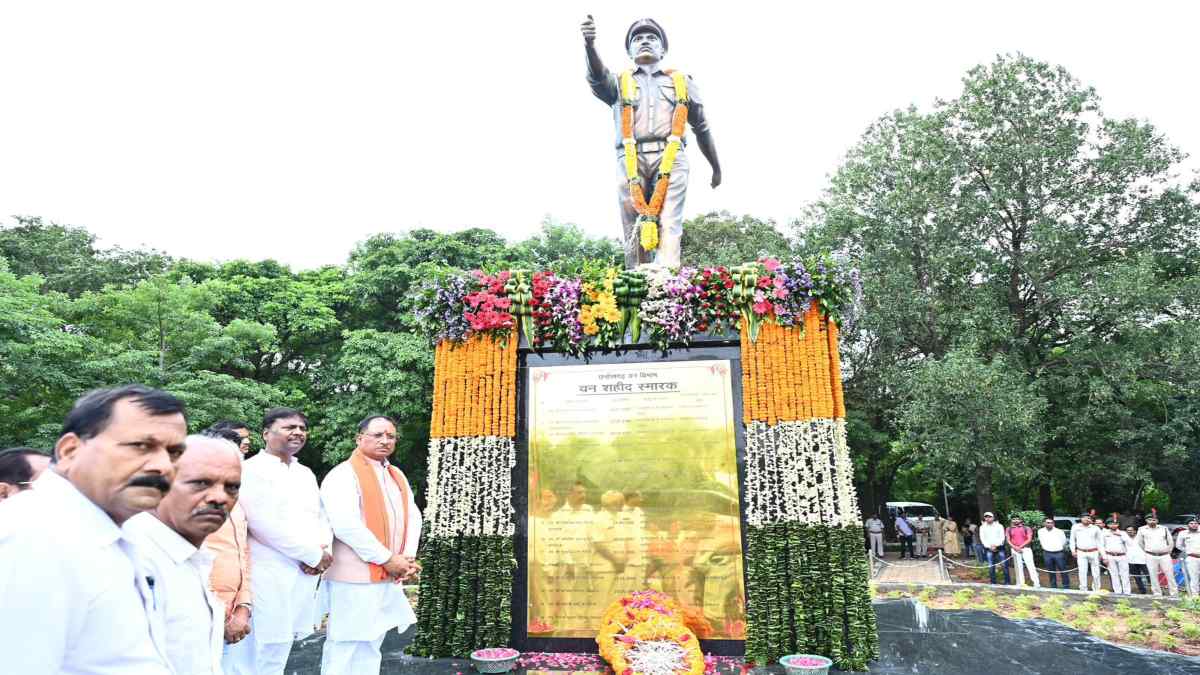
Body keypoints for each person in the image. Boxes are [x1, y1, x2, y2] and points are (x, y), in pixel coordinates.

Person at [0, 385, 187, 673]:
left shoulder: (123, 530)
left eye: (174, 453)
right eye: (141, 446)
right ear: (70, 450)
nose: (163, 466)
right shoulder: (32, 536)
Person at [581, 16, 721, 268]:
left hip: (672, 156)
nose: (645, 41)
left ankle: (666, 287)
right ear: (629, 50)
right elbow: (596, 78)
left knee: (669, 221)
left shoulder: (682, 82)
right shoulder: (619, 83)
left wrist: (716, 167)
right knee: (632, 224)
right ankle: (635, 286)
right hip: (630, 159)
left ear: (663, 49)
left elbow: (701, 127)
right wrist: (590, 45)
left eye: (651, 37)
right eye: (638, 38)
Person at [225, 408, 332, 675]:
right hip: (267, 572)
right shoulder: (249, 470)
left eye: (302, 428)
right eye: (289, 427)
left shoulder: (305, 473)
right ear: (266, 434)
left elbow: (320, 516)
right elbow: (262, 523)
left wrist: (324, 551)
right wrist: (311, 555)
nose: (297, 432)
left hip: (303, 574)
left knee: (281, 647)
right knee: (253, 651)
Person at [124, 434, 242, 674]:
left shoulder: (194, 558)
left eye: (232, 487)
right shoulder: (127, 560)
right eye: (200, 483)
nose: (220, 497)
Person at [319, 415, 422, 674]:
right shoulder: (343, 474)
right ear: (359, 438)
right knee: (346, 642)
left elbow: (413, 515)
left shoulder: (395, 474)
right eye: (378, 435)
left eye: (390, 436)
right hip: (353, 577)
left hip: (387, 573)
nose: (385, 440)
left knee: (372, 641)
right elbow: (346, 525)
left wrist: (406, 558)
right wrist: (388, 558)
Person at [200, 426, 255, 663]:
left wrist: (243, 608)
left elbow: (242, 555)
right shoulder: (189, 501)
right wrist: (220, 616)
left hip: (233, 613)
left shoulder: (236, 500)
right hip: (202, 614)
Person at [550, 482, 594, 631]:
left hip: (585, 562)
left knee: (582, 598)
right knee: (567, 598)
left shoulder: (589, 511)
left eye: (584, 493)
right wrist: (569, 563)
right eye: (579, 493)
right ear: (569, 494)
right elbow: (559, 541)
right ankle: (565, 632)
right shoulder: (558, 515)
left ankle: (578, 632)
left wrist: (590, 561)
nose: (583, 496)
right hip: (567, 564)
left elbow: (592, 537)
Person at [590, 490, 630, 610]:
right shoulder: (599, 519)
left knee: (613, 601)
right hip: (603, 566)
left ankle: (608, 627)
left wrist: (622, 560)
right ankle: (595, 627)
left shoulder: (619, 518)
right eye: (621, 501)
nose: (623, 504)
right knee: (600, 600)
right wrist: (616, 560)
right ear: (613, 503)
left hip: (618, 565)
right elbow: (598, 543)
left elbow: (622, 542)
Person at [1135, 512, 1178, 597]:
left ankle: (1174, 594)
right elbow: (1140, 542)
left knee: (1170, 575)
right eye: (1149, 519)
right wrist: (1148, 551)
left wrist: (1168, 551)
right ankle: (1157, 593)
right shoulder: (1142, 529)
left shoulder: (1164, 529)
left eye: (1154, 520)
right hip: (1150, 555)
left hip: (1164, 555)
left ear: (1157, 520)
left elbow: (1171, 542)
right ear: (1146, 520)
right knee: (1153, 575)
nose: (1152, 521)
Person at [1100, 518, 1132, 595]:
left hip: (1122, 556)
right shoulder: (1104, 533)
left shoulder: (1123, 533)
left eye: (1115, 523)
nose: (1113, 525)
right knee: (1114, 574)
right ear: (1107, 525)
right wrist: (1104, 557)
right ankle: (1117, 592)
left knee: (1125, 575)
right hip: (1110, 556)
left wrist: (1121, 535)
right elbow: (1101, 546)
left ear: (1118, 524)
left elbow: (1130, 543)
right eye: (1111, 524)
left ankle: (1127, 592)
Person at [1072, 514, 1103, 592]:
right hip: (1081, 552)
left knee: (1096, 573)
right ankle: (1083, 589)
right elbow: (1072, 540)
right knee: (1082, 572)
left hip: (1094, 552)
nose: (1086, 519)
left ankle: (1096, 589)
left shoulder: (1095, 528)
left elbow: (1100, 542)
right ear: (1081, 518)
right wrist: (1073, 550)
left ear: (1091, 519)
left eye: (1088, 518)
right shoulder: (1075, 527)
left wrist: (1102, 553)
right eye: (1084, 518)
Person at [1006, 516, 1039, 588]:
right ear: (1011, 520)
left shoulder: (1027, 528)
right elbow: (1008, 540)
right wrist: (1015, 547)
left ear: (1021, 520)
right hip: (1014, 549)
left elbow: (1029, 539)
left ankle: (1036, 583)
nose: (1015, 520)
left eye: (1017, 519)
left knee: (1030, 566)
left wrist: (1020, 547)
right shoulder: (1009, 529)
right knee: (1018, 567)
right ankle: (1021, 583)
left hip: (1026, 549)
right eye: (1014, 519)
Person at [1037, 518, 1070, 589]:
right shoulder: (1040, 531)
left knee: (1063, 570)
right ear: (1044, 523)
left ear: (1053, 524)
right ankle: (1053, 586)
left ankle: (1066, 586)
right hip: (1047, 553)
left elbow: (1063, 541)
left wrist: (1057, 547)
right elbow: (1041, 540)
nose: (1049, 524)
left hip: (1059, 553)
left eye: (1051, 523)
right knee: (1051, 571)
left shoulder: (1059, 531)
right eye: (1047, 522)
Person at [978, 512, 1010, 585]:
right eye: (986, 517)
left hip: (1000, 547)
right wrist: (990, 546)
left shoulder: (999, 526)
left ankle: (1007, 582)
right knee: (991, 566)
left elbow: (1002, 537)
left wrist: (996, 545)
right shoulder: (982, 527)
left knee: (1004, 565)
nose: (988, 518)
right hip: (989, 548)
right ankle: (993, 582)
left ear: (993, 518)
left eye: (989, 517)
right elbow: (982, 538)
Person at [1174, 517, 1200, 596]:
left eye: (1196, 523)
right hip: (1192, 558)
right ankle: (1195, 596)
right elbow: (1178, 545)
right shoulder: (1183, 533)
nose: (1194, 525)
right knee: (1194, 578)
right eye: (1191, 523)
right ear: (1187, 525)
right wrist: (1188, 551)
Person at [1125, 525, 1150, 594]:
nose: (1129, 532)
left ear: (1135, 531)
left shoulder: (1141, 538)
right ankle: (1142, 590)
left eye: (1131, 530)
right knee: (1136, 577)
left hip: (1143, 560)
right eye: (1128, 531)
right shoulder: (1125, 539)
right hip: (1131, 560)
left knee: (1149, 575)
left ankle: (1155, 589)